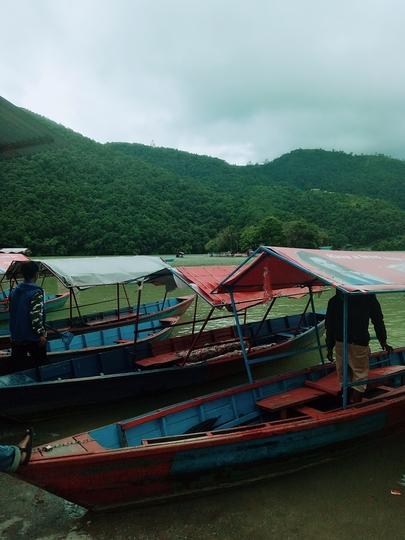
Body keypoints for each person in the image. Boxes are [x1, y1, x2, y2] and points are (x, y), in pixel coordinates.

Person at [325, 290, 393, 403]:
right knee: (360, 376)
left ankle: (346, 403)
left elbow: (329, 327)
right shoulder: (368, 297)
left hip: (340, 343)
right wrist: (383, 341)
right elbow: (378, 321)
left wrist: (329, 347)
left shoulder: (334, 301)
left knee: (344, 375)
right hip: (359, 343)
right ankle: (355, 405)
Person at [9, 260, 47, 371]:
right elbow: (36, 318)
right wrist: (41, 334)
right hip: (33, 338)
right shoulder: (36, 292)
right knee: (41, 367)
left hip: (16, 336)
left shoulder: (15, 291)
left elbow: (12, 314)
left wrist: (12, 334)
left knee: (18, 369)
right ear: (36, 274)